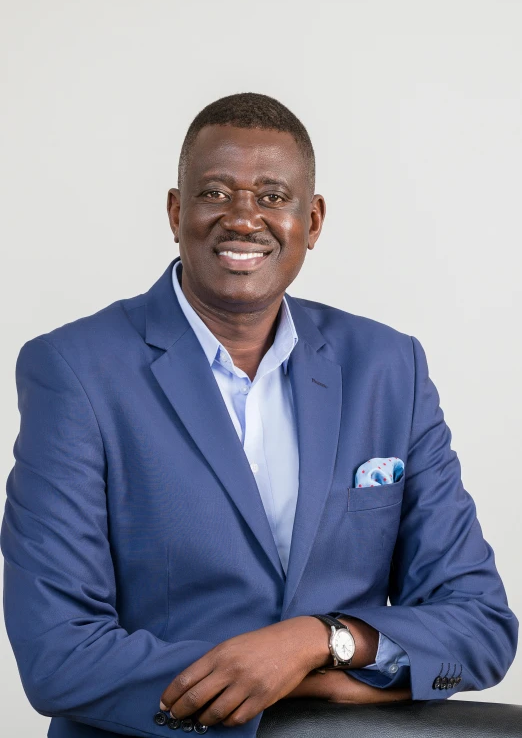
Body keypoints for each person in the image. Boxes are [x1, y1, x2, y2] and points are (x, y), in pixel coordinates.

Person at [1, 93, 517, 738]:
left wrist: (314, 641)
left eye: (273, 196)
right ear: (175, 211)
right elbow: (60, 655)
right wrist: (279, 689)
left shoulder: (389, 367)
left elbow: (480, 624)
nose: (244, 218)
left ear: (314, 219)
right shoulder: (74, 369)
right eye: (216, 192)